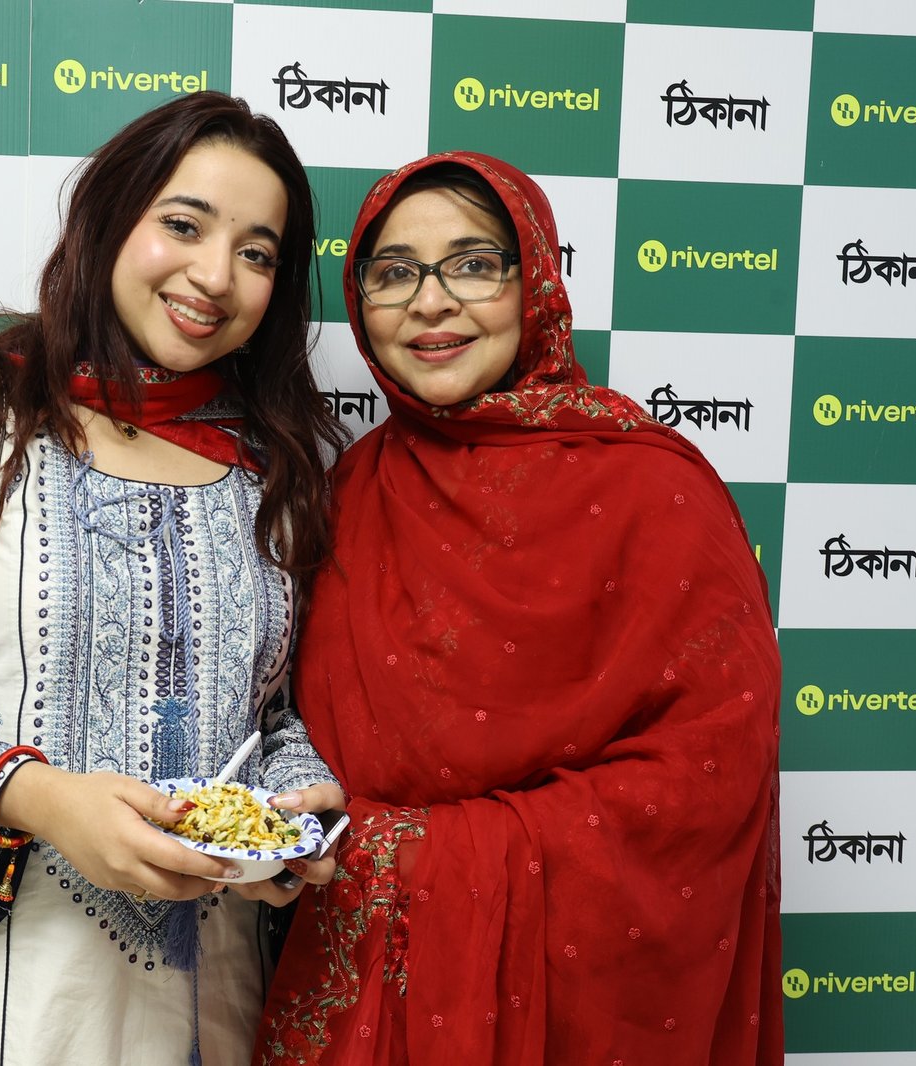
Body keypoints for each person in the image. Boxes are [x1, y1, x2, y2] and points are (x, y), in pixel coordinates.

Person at [0, 91, 347, 1066]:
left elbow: (265, 715)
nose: (215, 276)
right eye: (184, 225)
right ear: (110, 218)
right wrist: (42, 798)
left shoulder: (272, 471)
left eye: (256, 253)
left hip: (201, 1010)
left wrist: (291, 811)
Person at [253, 152, 783, 1065]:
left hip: (583, 1004)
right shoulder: (344, 496)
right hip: (372, 986)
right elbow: (289, 723)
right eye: (394, 273)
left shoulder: (653, 490)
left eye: (472, 264)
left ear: (533, 279)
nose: (430, 302)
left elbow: (711, 771)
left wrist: (425, 853)